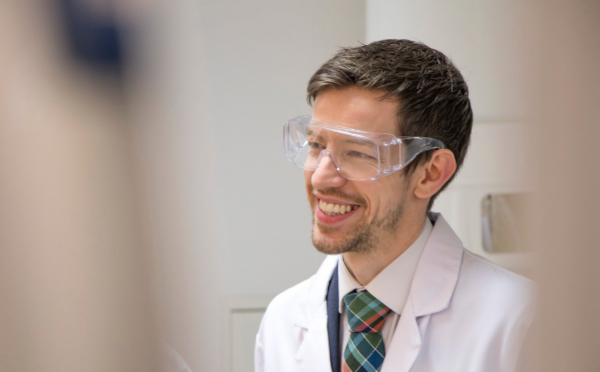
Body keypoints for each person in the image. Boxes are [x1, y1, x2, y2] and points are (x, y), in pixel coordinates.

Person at [254, 39, 535, 372]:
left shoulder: (522, 321)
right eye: (316, 145)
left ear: (430, 174)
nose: (320, 178)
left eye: (357, 153)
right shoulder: (282, 322)